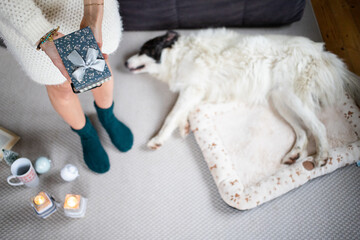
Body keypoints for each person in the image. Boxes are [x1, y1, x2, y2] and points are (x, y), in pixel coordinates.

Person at [0, 0, 133, 174]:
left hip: (93, 8)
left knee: (99, 68)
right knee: (60, 86)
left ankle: (107, 117)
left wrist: (93, 12)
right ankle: (86, 133)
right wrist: (43, 35)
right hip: (27, 18)